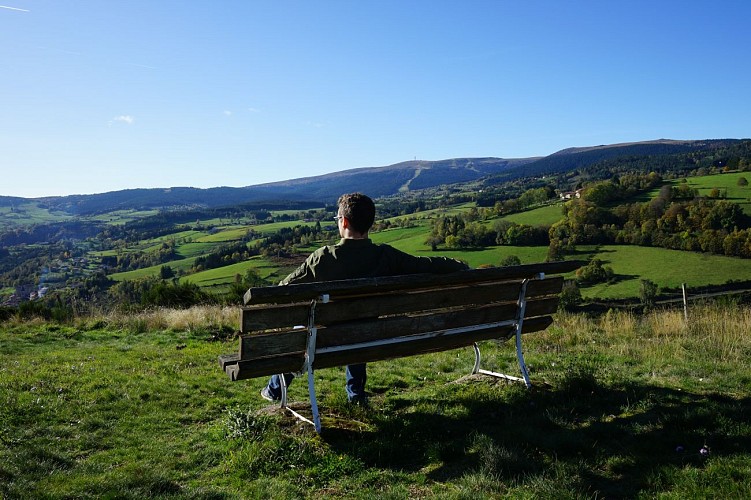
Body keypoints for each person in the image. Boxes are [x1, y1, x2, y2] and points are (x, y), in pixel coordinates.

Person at [260, 192, 469, 404]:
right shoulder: (386, 256)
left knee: (302, 332)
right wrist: (458, 265)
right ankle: (356, 396)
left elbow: (281, 292)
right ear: (369, 224)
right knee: (358, 327)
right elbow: (426, 265)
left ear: (345, 221)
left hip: (325, 340)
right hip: (366, 336)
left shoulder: (322, 258)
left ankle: (274, 389)